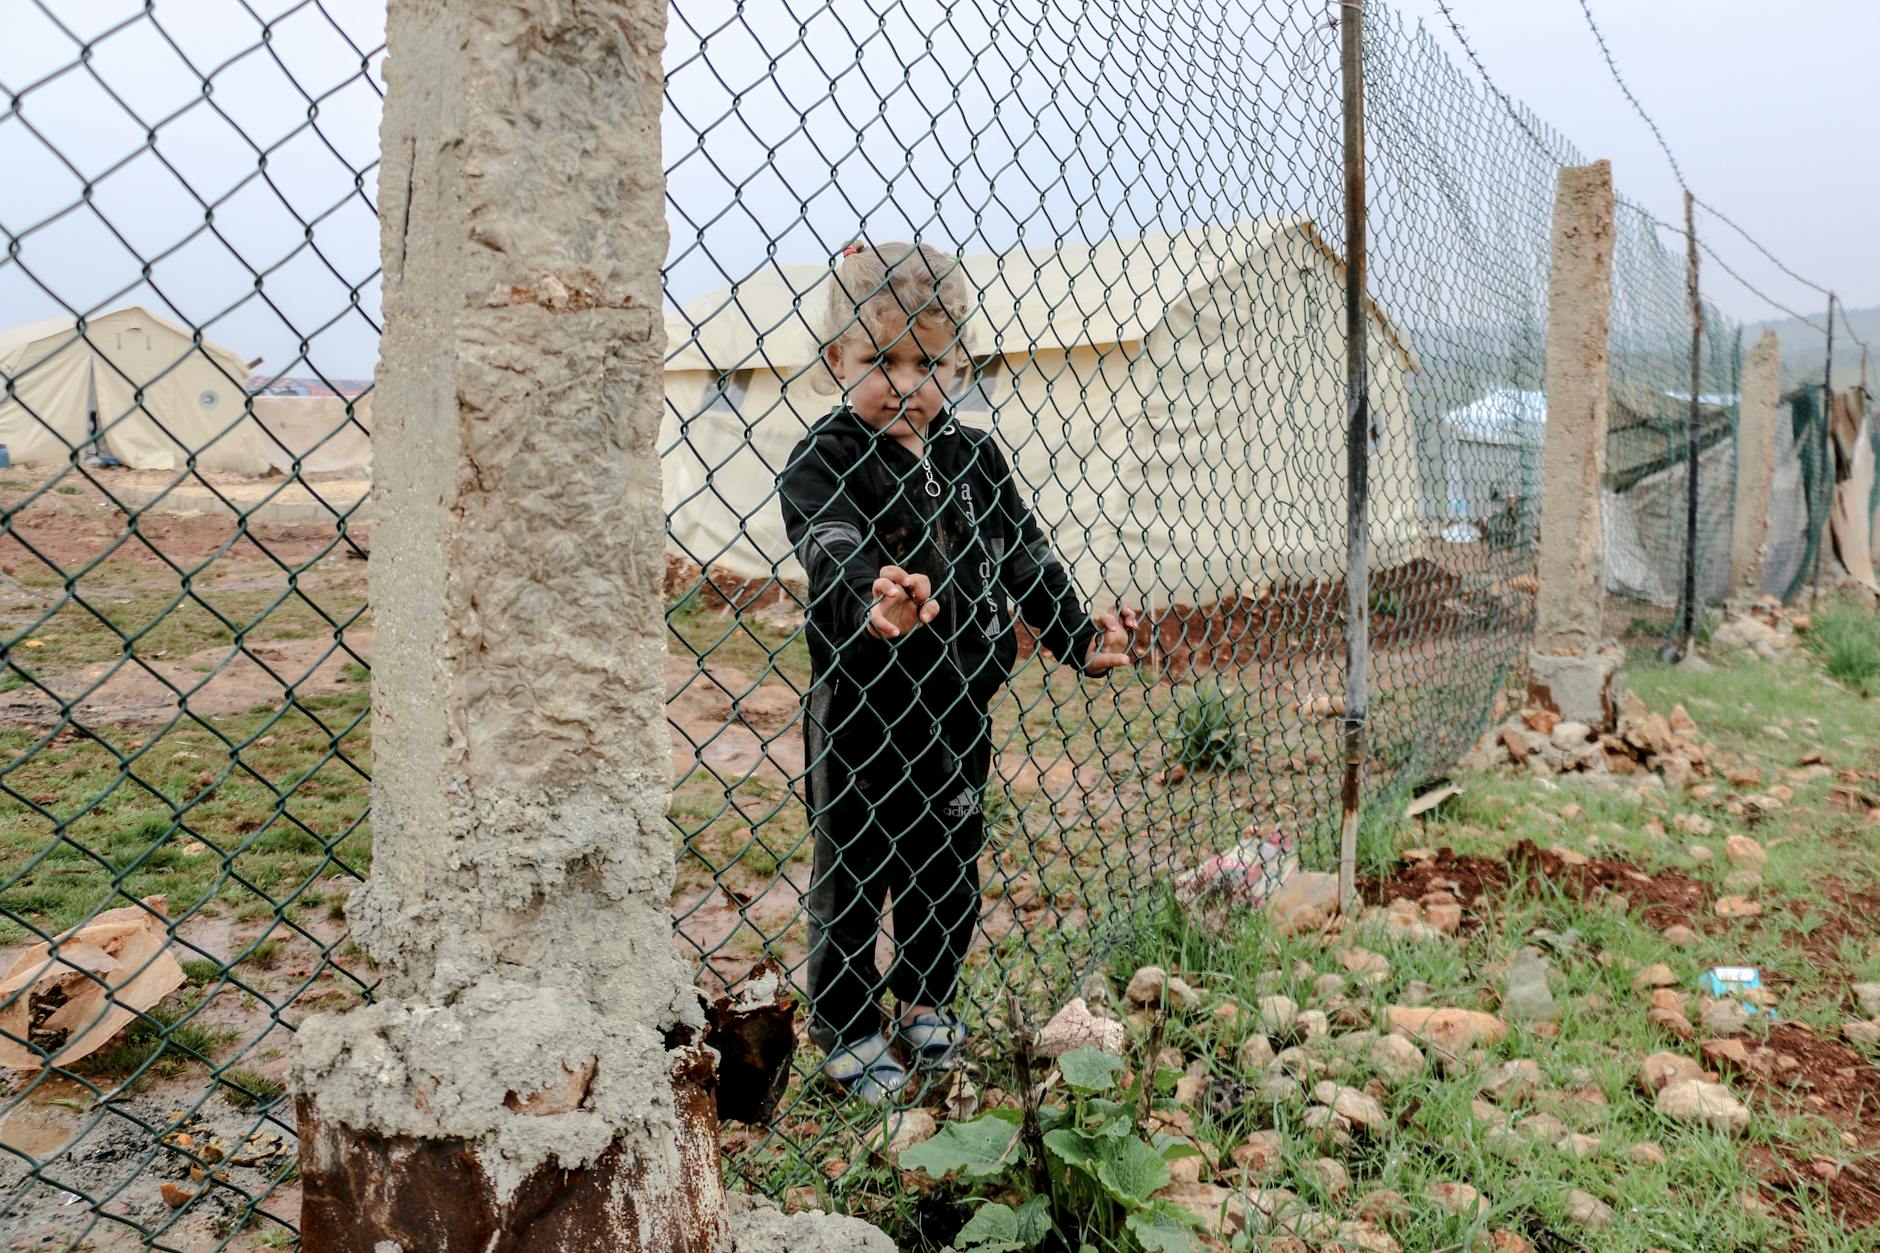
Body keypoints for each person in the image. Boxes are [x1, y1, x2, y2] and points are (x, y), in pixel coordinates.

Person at [778, 241, 1138, 1102]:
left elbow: (1026, 557)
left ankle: (929, 1002)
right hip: (863, 711)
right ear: (838, 359)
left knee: (948, 865)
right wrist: (874, 596)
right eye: (880, 361)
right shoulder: (823, 459)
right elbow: (829, 546)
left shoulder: (975, 460)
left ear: (959, 362)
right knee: (855, 873)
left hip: (959, 711)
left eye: (928, 362)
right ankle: (848, 1025)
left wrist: (1078, 636)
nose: (906, 383)